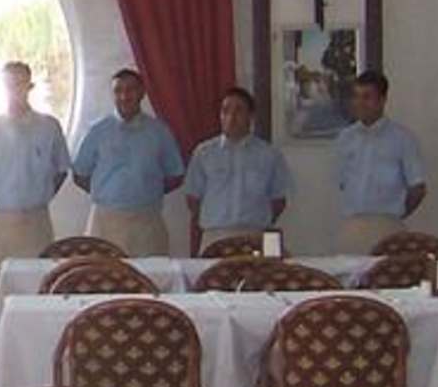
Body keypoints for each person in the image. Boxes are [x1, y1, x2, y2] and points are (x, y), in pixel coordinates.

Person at [0, 60, 70, 318]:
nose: (14, 89)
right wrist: (0, 198)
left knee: (39, 292)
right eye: (9, 84)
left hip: (37, 221)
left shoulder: (49, 126)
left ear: (30, 86)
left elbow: (61, 170)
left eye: (20, 83)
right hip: (2, 221)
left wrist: (41, 195)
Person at [71, 68, 186, 257]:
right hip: (105, 221)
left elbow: (175, 175)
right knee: (102, 273)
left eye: (130, 90)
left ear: (142, 93)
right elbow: (79, 174)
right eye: (118, 91)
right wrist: (107, 192)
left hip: (147, 221)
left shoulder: (159, 132)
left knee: (149, 274)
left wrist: (147, 190)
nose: (124, 96)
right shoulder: (98, 131)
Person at [182, 87, 292, 253]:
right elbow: (193, 198)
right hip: (215, 235)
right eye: (225, 111)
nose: (231, 117)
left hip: (255, 236)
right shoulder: (204, 153)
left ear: (251, 116)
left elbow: (278, 200)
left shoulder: (269, 155)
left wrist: (257, 221)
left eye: (238, 111)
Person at [335, 69, 427, 254]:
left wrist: (395, 213)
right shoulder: (345, 138)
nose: (360, 103)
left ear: (382, 100)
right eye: (356, 96)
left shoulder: (402, 138)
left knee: (386, 272)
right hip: (353, 225)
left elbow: (418, 188)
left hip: (387, 225)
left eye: (367, 97)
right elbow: (342, 183)